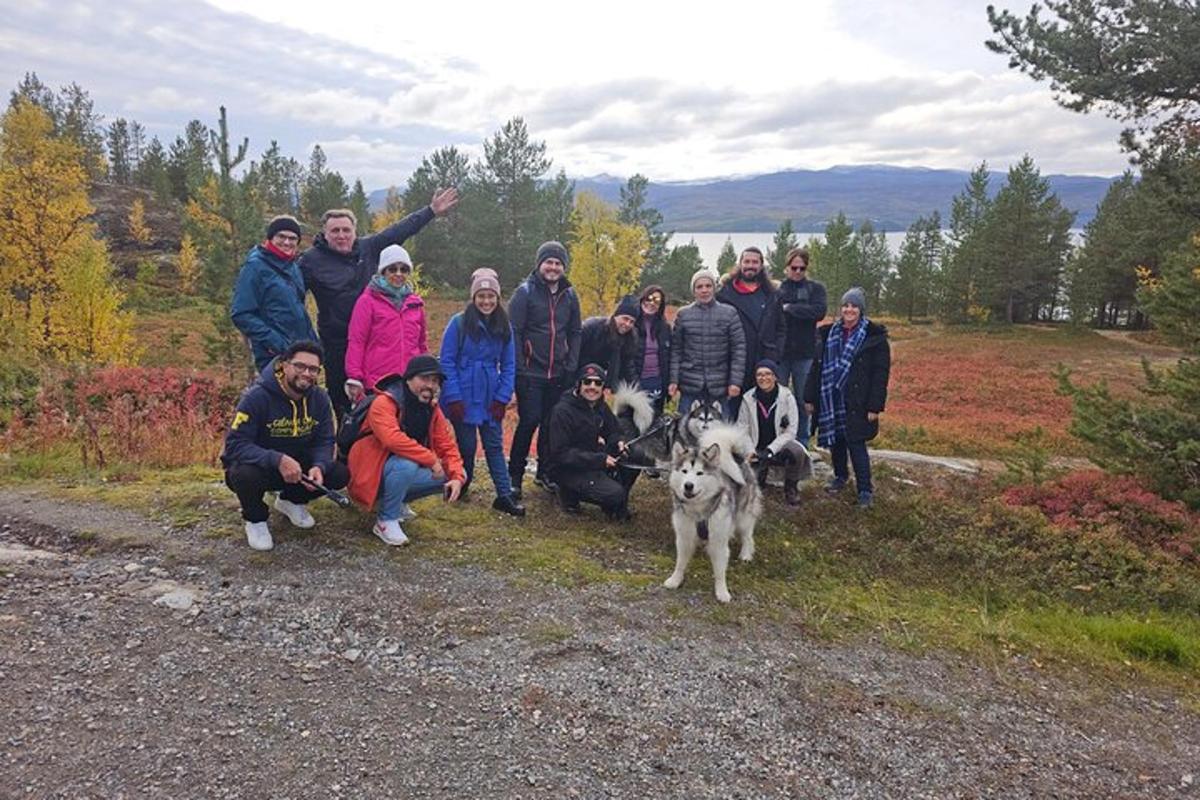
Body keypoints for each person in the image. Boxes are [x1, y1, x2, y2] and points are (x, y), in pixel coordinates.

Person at [299, 189, 458, 417]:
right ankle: (348, 450)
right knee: (347, 407)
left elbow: (399, 230)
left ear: (354, 231)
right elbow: (293, 299)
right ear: (324, 233)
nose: (341, 235)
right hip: (337, 345)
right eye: (335, 231)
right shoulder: (310, 261)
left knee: (384, 406)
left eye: (346, 230)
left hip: (376, 342)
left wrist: (430, 211)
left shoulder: (369, 248)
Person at [221, 340, 349, 551]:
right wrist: (277, 459)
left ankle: (290, 500)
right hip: (261, 467)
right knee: (243, 474)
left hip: (300, 470)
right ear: (284, 364)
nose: (306, 373)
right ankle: (255, 519)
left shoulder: (320, 398)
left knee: (338, 473)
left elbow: (325, 440)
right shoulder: (256, 397)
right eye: (300, 366)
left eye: (313, 369)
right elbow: (235, 444)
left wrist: (319, 466)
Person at [346, 355, 466, 546]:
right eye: (425, 379)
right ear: (409, 378)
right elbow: (392, 439)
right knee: (406, 464)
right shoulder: (384, 403)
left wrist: (457, 477)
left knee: (454, 473)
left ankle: (395, 501)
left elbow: (447, 445)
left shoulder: (432, 409)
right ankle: (386, 520)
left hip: (394, 471)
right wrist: (431, 460)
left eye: (435, 381)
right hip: (368, 474)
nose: (431, 385)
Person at [439, 268, 525, 517]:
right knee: (466, 445)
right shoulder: (458, 323)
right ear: (473, 298)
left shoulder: (504, 327)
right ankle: (461, 484)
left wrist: (502, 397)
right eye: (481, 296)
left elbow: (509, 365)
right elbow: (447, 362)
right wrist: (453, 397)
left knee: (494, 446)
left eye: (491, 296)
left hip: (489, 394)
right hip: (464, 393)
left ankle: (504, 495)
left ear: (497, 298)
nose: (486, 301)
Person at [507, 241, 583, 500]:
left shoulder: (570, 295)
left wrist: (571, 365)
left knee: (552, 426)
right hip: (530, 372)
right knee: (529, 422)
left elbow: (575, 332)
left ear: (564, 267)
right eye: (548, 262)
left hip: (559, 373)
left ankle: (545, 472)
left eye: (558, 263)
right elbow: (514, 333)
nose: (553, 267)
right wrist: (518, 368)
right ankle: (514, 477)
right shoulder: (525, 293)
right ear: (539, 264)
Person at [804, 288, 891, 509]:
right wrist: (810, 397)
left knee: (856, 444)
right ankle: (840, 476)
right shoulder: (827, 334)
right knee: (837, 442)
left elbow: (880, 374)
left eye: (854, 306)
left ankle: (864, 490)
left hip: (858, 401)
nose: (849, 309)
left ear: (861, 310)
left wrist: (874, 405)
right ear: (841, 308)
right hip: (830, 399)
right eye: (846, 305)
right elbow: (816, 368)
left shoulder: (874, 338)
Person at [544, 364, 632, 521]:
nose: (592, 387)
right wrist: (600, 460)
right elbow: (560, 454)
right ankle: (568, 493)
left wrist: (618, 441)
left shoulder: (600, 406)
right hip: (567, 468)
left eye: (598, 383)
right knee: (615, 494)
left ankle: (616, 499)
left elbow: (613, 430)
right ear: (579, 384)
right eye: (587, 382)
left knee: (635, 455)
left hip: (591, 460)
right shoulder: (562, 412)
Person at [230, 215, 318, 370]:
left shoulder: (292, 266)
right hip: (273, 355)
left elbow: (297, 309)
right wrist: (275, 343)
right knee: (277, 394)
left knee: (302, 394)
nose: (286, 242)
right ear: (270, 238)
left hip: (300, 353)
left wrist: (313, 344)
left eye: (292, 238)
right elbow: (241, 313)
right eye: (281, 236)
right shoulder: (255, 267)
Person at [344, 244, 428, 393]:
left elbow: (421, 343)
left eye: (404, 269)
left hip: (410, 382)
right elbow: (357, 340)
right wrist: (354, 376)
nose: (398, 273)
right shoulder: (367, 301)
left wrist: (426, 371)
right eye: (392, 269)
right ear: (383, 272)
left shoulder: (416, 304)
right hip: (378, 383)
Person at [668, 268, 746, 419]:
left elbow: (739, 350)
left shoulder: (729, 313)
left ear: (714, 288)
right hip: (690, 385)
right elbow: (676, 350)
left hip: (720, 385)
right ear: (694, 291)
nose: (704, 290)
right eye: (699, 287)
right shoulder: (683, 314)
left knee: (721, 434)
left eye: (708, 286)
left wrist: (735, 382)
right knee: (685, 432)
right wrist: (673, 380)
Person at [770, 247, 827, 449]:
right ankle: (777, 441)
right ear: (786, 267)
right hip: (781, 355)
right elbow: (773, 317)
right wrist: (801, 310)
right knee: (779, 400)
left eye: (801, 268)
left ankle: (802, 442)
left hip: (805, 353)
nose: (797, 272)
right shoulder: (777, 290)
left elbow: (819, 312)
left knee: (804, 400)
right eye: (794, 267)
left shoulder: (815, 289)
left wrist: (790, 309)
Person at [735, 359, 810, 507]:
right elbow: (741, 429)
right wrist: (751, 451)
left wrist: (770, 450)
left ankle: (791, 488)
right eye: (759, 375)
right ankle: (760, 476)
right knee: (751, 487)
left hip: (778, 447)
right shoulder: (747, 398)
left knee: (797, 451)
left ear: (775, 376)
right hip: (756, 447)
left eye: (768, 374)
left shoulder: (787, 397)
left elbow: (791, 431)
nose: (764, 378)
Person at [716, 246, 778, 403]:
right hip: (734, 362)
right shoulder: (725, 293)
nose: (750, 265)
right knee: (733, 408)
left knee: (761, 409)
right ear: (740, 264)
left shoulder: (771, 294)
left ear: (761, 265)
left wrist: (775, 354)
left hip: (764, 361)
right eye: (747, 261)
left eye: (755, 262)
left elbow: (781, 327)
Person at [575, 295, 640, 389]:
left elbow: (628, 369)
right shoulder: (592, 327)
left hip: (607, 386)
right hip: (583, 379)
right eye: (625, 319)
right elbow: (573, 354)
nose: (627, 324)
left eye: (632, 322)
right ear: (616, 316)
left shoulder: (630, 340)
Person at [630, 285, 671, 415]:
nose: (651, 303)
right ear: (642, 299)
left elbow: (668, 357)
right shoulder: (631, 324)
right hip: (635, 381)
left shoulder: (665, 328)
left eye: (657, 301)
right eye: (649, 298)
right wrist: (635, 383)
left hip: (657, 382)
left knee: (655, 421)